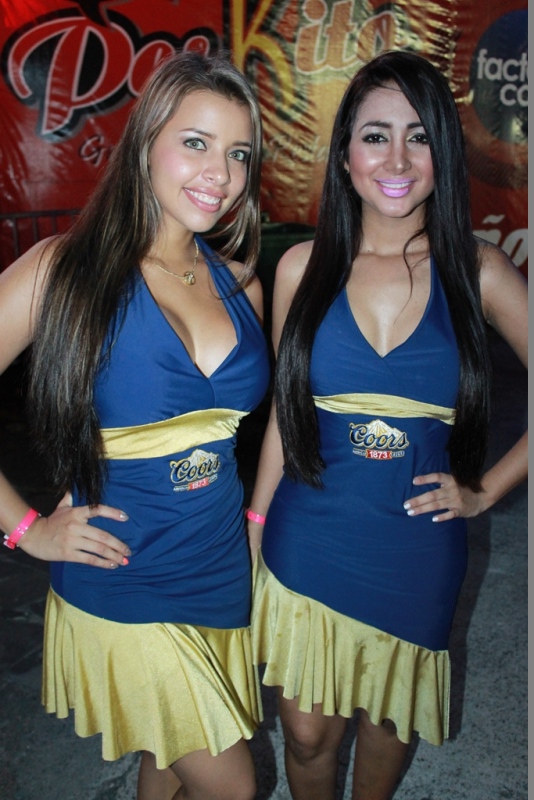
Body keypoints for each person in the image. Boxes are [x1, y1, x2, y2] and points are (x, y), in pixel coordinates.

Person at [247, 50, 527, 800]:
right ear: (345, 155)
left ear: (444, 152)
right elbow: (284, 415)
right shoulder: (300, 269)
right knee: (307, 733)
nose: (397, 159)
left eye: (418, 136)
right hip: (307, 533)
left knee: (388, 720)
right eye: (376, 136)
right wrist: (254, 525)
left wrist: (486, 489)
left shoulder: (478, 270)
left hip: (417, 547)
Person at [0, 51, 270, 800]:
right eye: (196, 142)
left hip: (217, 569)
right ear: (146, 141)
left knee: (167, 759)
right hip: (124, 576)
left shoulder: (240, 281)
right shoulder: (65, 270)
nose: (220, 172)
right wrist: (25, 530)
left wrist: (254, 525)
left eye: (238, 153)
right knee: (231, 786)